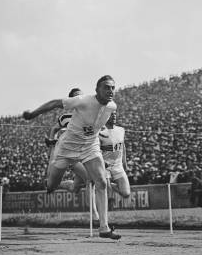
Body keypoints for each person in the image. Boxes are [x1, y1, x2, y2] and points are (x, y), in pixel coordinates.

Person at [23, 75, 120, 239]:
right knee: (51, 185)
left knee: (101, 181)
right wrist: (33, 114)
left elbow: (103, 124)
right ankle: (54, 183)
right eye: (106, 87)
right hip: (67, 148)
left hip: (90, 146)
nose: (110, 90)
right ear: (97, 90)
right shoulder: (82, 101)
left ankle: (103, 227)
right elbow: (54, 103)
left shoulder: (112, 106)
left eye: (112, 87)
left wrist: (109, 125)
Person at [99, 112, 131, 200]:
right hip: (104, 166)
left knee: (126, 193)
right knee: (109, 196)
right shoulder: (100, 132)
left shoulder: (121, 130)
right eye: (111, 114)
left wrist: (125, 163)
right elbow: (96, 151)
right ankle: (107, 186)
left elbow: (123, 147)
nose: (114, 116)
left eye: (115, 114)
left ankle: (110, 185)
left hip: (118, 165)